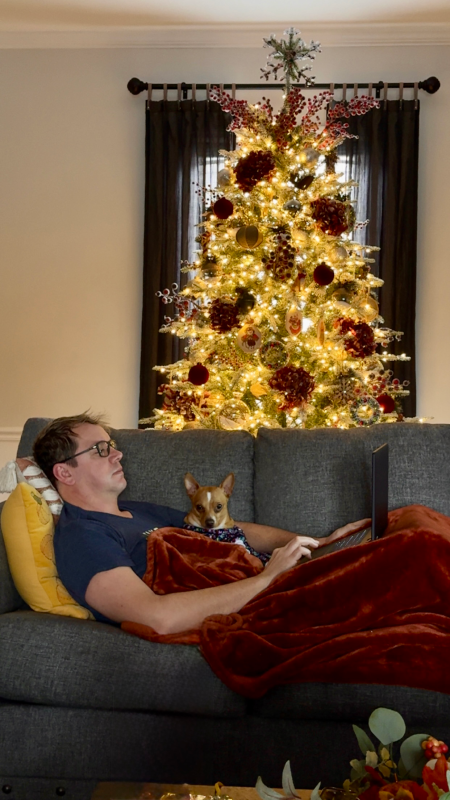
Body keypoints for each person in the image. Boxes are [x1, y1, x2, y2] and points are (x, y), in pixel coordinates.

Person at [33, 413, 369, 635]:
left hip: (264, 582)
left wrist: (316, 541)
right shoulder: (84, 537)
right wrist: (268, 578)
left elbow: (224, 530)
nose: (118, 455)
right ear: (64, 471)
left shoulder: (136, 511)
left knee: (402, 529)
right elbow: (156, 618)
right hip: (258, 600)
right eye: (101, 450)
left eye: (113, 447)